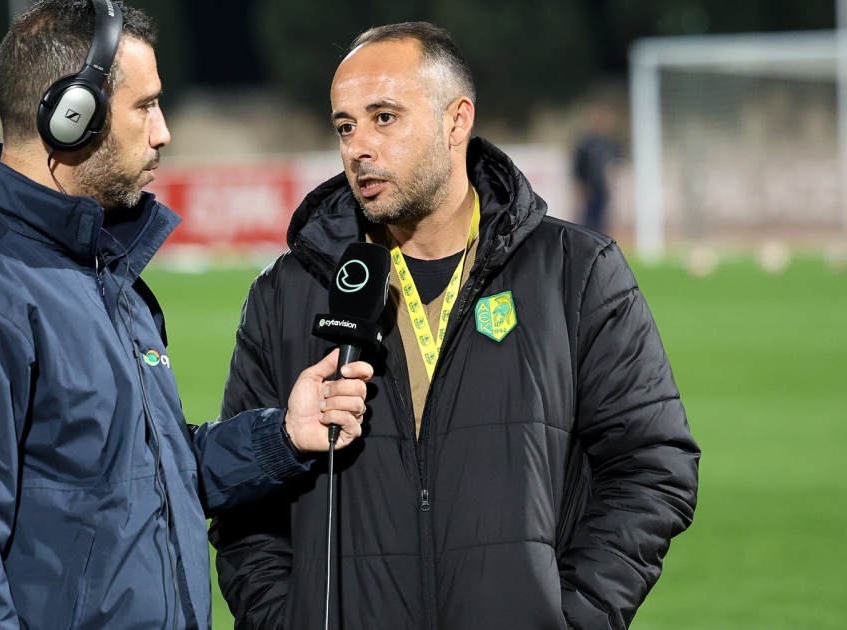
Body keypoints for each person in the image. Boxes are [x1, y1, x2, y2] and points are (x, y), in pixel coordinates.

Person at [0, 2, 372, 629]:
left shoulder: (99, 270)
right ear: (71, 116)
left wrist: (282, 436)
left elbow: (146, 479)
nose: (163, 132)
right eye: (146, 106)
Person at [210, 22, 700, 630]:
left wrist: (573, 617)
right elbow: (244, 498)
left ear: (456, 120)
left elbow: (652, 463)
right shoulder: (285, 295)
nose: (359, 146)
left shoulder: (576, 273)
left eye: (384, 118)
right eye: (345, 126)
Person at [572, 103, 621, 234]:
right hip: (590, 185)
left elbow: (616, 164)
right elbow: (578, 166)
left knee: (603, 218)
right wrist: (581, 186)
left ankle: (601, 239)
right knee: (588, 218)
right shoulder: (586, 143)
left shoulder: (610, 143)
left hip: (605, 186)